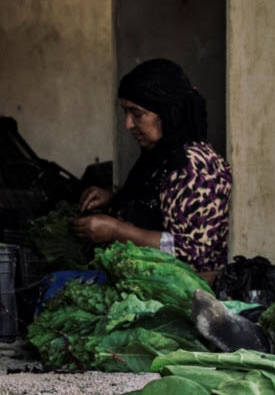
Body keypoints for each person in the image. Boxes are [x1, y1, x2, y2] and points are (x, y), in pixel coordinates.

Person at [71, 58, 232, 278]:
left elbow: (193, 254)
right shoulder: (160, 154)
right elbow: (160, 203)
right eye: (125, 113)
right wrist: (115, 198)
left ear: (166, 112)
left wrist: (115, 231)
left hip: (176, 297)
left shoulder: (195, 165)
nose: (128, 124)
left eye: (136, 114)